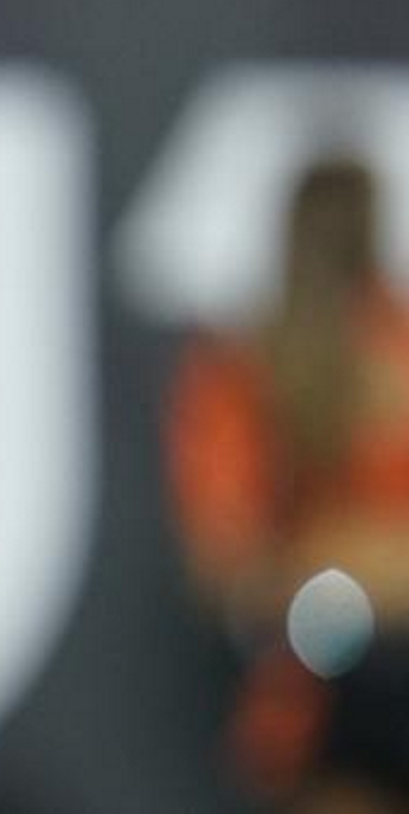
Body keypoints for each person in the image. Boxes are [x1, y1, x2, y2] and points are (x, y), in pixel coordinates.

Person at [164, 153, 409, 813]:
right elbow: (228, 562)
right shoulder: (246, 367)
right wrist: (348, 579)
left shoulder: (385, 344)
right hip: (322, 684)